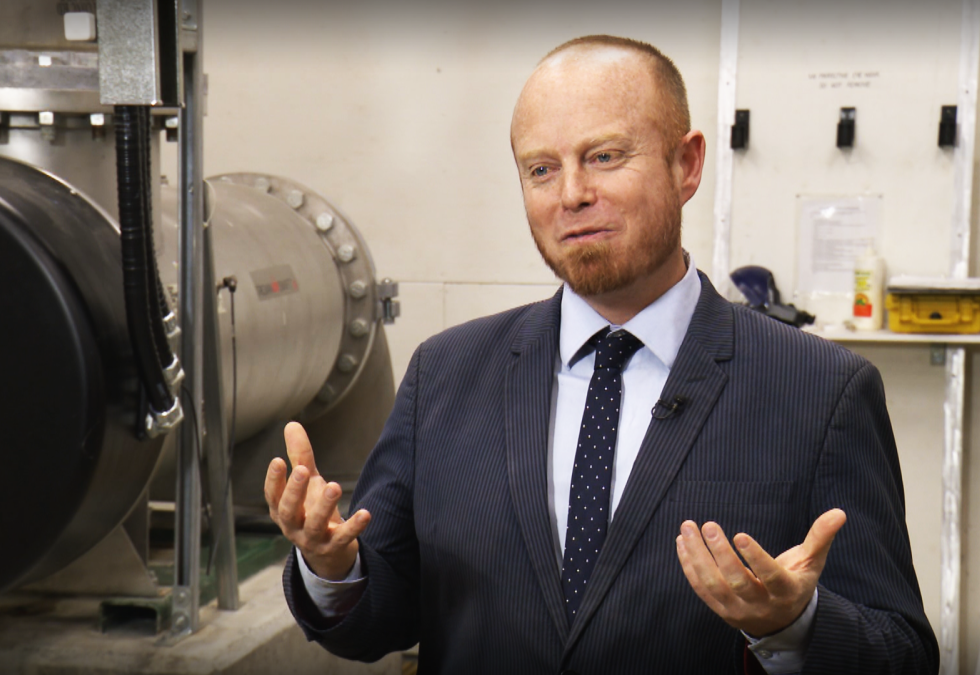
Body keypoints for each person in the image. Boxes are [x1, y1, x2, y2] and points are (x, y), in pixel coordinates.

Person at [264, 35, 938, 674]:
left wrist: (792, 623)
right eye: (541, 169)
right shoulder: (444, 374)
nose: (571, 195)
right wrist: (331, 567)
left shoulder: (820, 390)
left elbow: (901, 651)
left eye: (605, 156)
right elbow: (385, 614)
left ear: (687, 163)